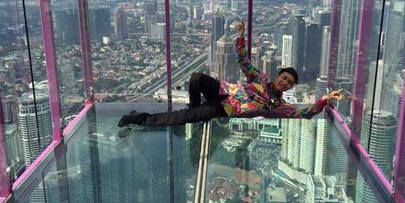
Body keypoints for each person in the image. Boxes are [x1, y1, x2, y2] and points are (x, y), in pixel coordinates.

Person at [118, 21, 343, 128]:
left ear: (290, 88)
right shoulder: (261, 79)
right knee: (196, 77)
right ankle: (193, 106)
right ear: (277, 76)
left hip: (223, 108)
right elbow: (243, 61)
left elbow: (306, 114)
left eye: (289, 83)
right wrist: (241, 36)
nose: (285, 82)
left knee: (180, 119)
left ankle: (138, 118)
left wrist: (325, 99)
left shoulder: (278, 107)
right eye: (284, 78)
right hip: (222, 89)